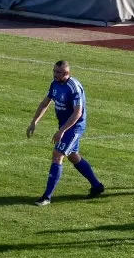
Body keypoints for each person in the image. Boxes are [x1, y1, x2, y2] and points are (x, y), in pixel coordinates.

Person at [26, 59, 106, 205]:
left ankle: (47, 197)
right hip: (64, 125)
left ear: (67, 73)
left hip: (75, 127)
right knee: (73, 156)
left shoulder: (74, 87)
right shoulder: (55, 84)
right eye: (54, 71)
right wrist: (34, 122)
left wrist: (62, 131)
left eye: (58, 72)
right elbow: (45, 103)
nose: (55, 74)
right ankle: (97, 186)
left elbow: (77, 113)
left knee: (57, 155)